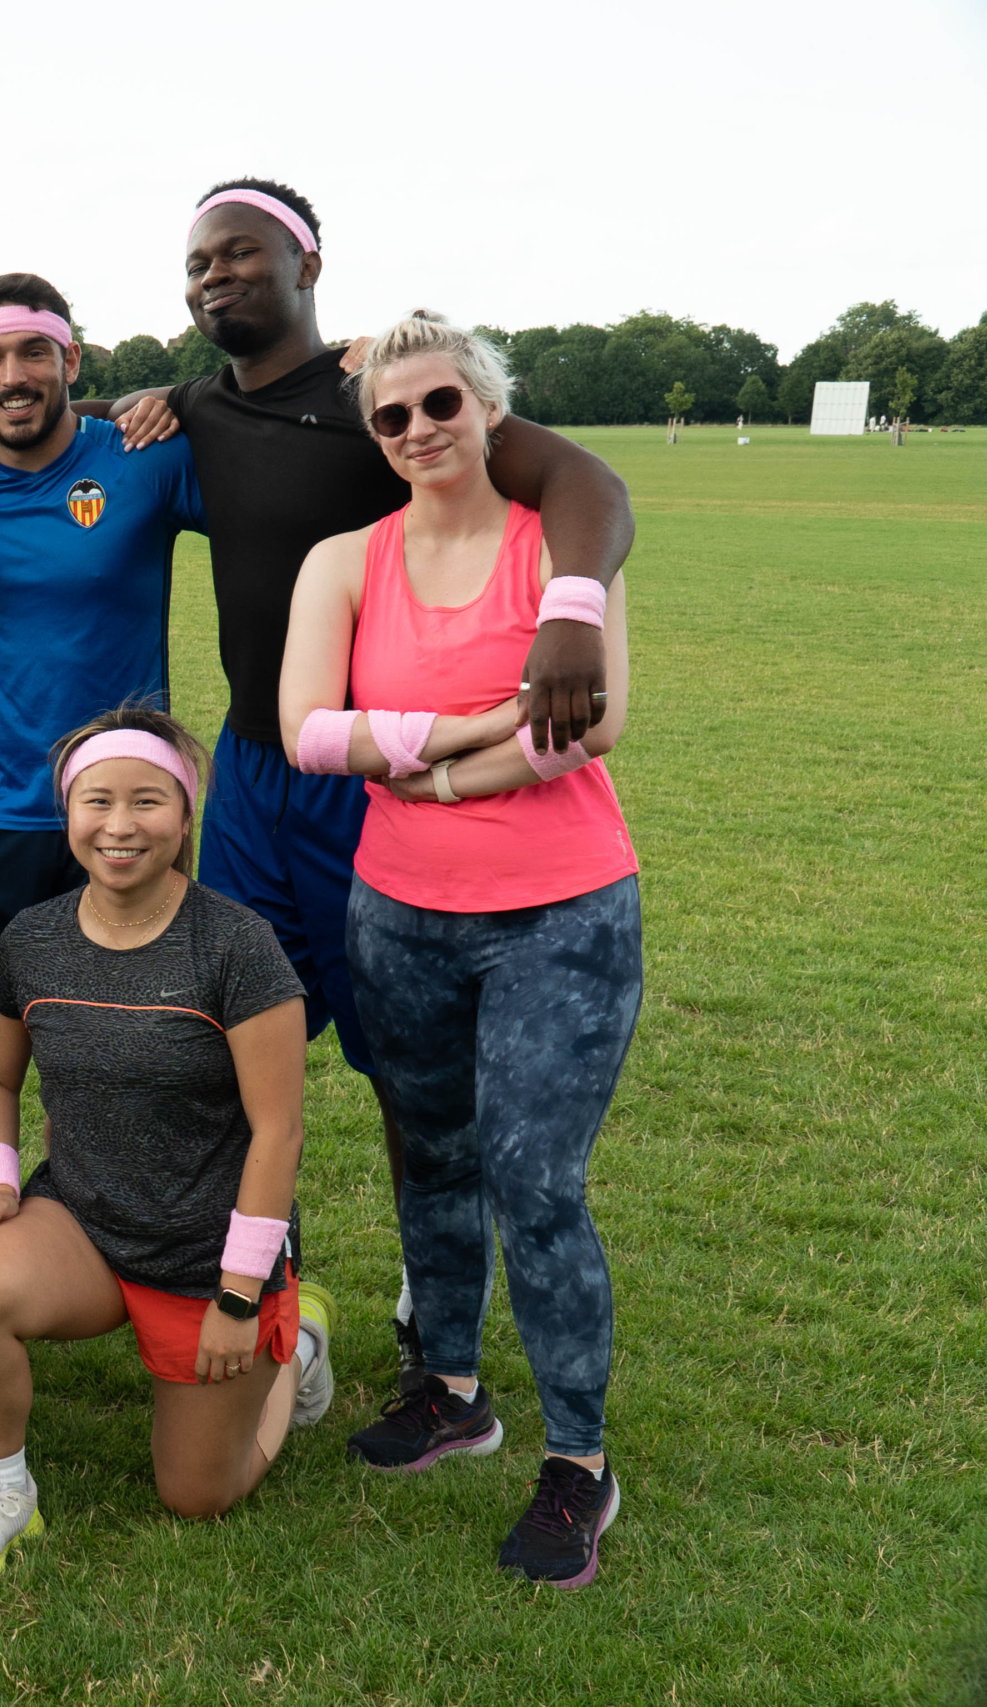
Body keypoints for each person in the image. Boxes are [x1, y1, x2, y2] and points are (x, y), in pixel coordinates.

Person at [0, 180, 636, 1390]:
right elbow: (48, 400)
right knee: (242, 1044)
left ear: (309, 265)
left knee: (402, 1061)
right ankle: (267, 1283)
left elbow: (586, 485)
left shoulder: (382, 401)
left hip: (373, 774)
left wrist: (569, 609)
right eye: (199, 265)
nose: (215, 280)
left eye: (240, 257)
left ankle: (429, 1285)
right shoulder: (189, 410)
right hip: (255, 770)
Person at [278, 310, 638, 1588]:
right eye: (394, 416)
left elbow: (585, 732)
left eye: (443, 405)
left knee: (534, 1179)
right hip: (398, 912)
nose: (421, 429)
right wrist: (484, 720)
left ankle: (577, 1463)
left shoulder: (560, 548)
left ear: (489, 410)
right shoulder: (345, 560)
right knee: (425, 1155)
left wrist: (419, 764)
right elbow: (309, 734)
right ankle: (448, 1386)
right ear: (373, 437)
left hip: (562, 912)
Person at [0, 708, 335, 1581]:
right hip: (82, 1221)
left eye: (147, 801)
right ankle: (1, 1488)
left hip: (205, 1250)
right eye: (96, 800)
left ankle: (290, 1352)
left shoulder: (236, 947)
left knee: (197, 1494)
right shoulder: (32, 940)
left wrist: (237, 1292)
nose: (119, 825)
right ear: (68, 812)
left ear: (185, 815)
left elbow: (279, 1130)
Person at [0, 274, 206, 953]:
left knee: (141, 1045)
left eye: (35, 352)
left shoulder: (144, 458)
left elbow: (273, 488)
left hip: (130, 806)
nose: (14, 376)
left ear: (70, 360)